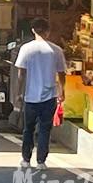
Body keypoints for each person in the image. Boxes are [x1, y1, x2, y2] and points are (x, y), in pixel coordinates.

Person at [15, 17, 67, 171]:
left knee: (28, 129)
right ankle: (41, 161)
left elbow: (21, 73)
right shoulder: (56, 50)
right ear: (48, 31)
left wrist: (19, 92)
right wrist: (62, 91)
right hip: (49, 95)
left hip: (30, 96)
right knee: (45, 129)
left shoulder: (26, 48)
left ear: (32, 30)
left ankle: (25, 159)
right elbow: (62, 73)